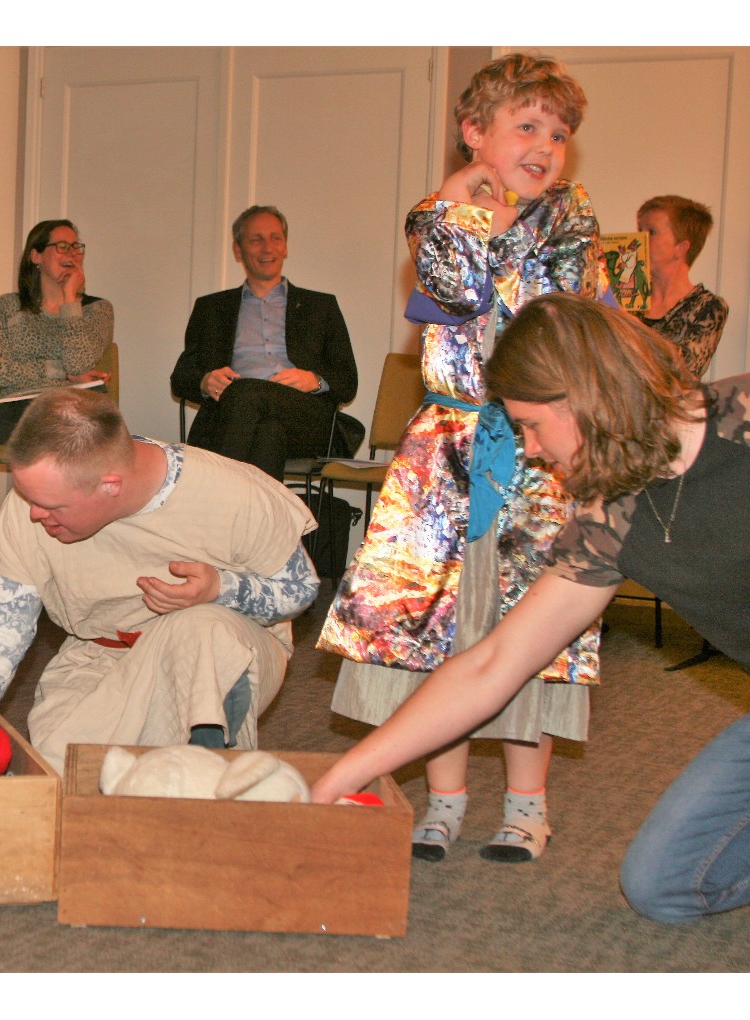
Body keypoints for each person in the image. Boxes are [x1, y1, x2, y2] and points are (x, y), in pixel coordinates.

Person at [313, 292, 750, 924]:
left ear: (585, 397)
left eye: (531, 426)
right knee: (665, 887)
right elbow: (492, 664)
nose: (532, 450)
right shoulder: (609, 518)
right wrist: (345, 775)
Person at [319, 54, 611, 863]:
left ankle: (526, 805)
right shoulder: (434, 214)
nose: (546, 146)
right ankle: (443, 802)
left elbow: (543, 310)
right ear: (474, 132)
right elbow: (455, 289)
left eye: (558, 134)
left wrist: (481, 217)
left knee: (528, 629)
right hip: (443, 455)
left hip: (533, 455)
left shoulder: (569, 218)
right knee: (435, 632)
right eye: (527, 127)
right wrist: (452, 211)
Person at [0, 387, 319, 774]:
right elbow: (0, 629)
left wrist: (222, 589)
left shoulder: (234, 493)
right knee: (62, 777)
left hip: (226, 652)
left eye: (49, 505)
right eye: (28, 499)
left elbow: (300, 590)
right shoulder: (34, 502)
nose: (33, 514)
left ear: (110, 485)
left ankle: (206, 783)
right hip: (100, 653)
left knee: (200, 628)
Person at [169, 205, 358, 481]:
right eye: (256, 240)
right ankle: (264, 523)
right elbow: (180, 378)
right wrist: (205, 381)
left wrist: (314, 380)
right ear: (238, 250)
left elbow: (347, 382)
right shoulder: (212, 308)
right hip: (237, 417)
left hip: (303, 416)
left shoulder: (320, 307)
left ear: (285, 247)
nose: (267, 248)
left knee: (247, 393)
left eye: (275, 238)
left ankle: (216, 493)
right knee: (268, 434)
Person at [0, 219, 113, 444]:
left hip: (77, 406)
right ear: (36, 256)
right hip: (20, 407)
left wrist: (70, 300)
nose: (72, 253)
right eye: (62, 246)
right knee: (64, 439)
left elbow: (79, 364)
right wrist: (61, 372)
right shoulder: (8, 306)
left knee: (80, 429)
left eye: (76, 247)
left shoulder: (98, 309)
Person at [636, 195, 728, 379]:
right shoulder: (626, 299)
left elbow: (684, 373)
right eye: (639, 230)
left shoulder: (707, 307)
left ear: (680, 248)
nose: (639, 239)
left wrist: (625, 324)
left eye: (651, 232)